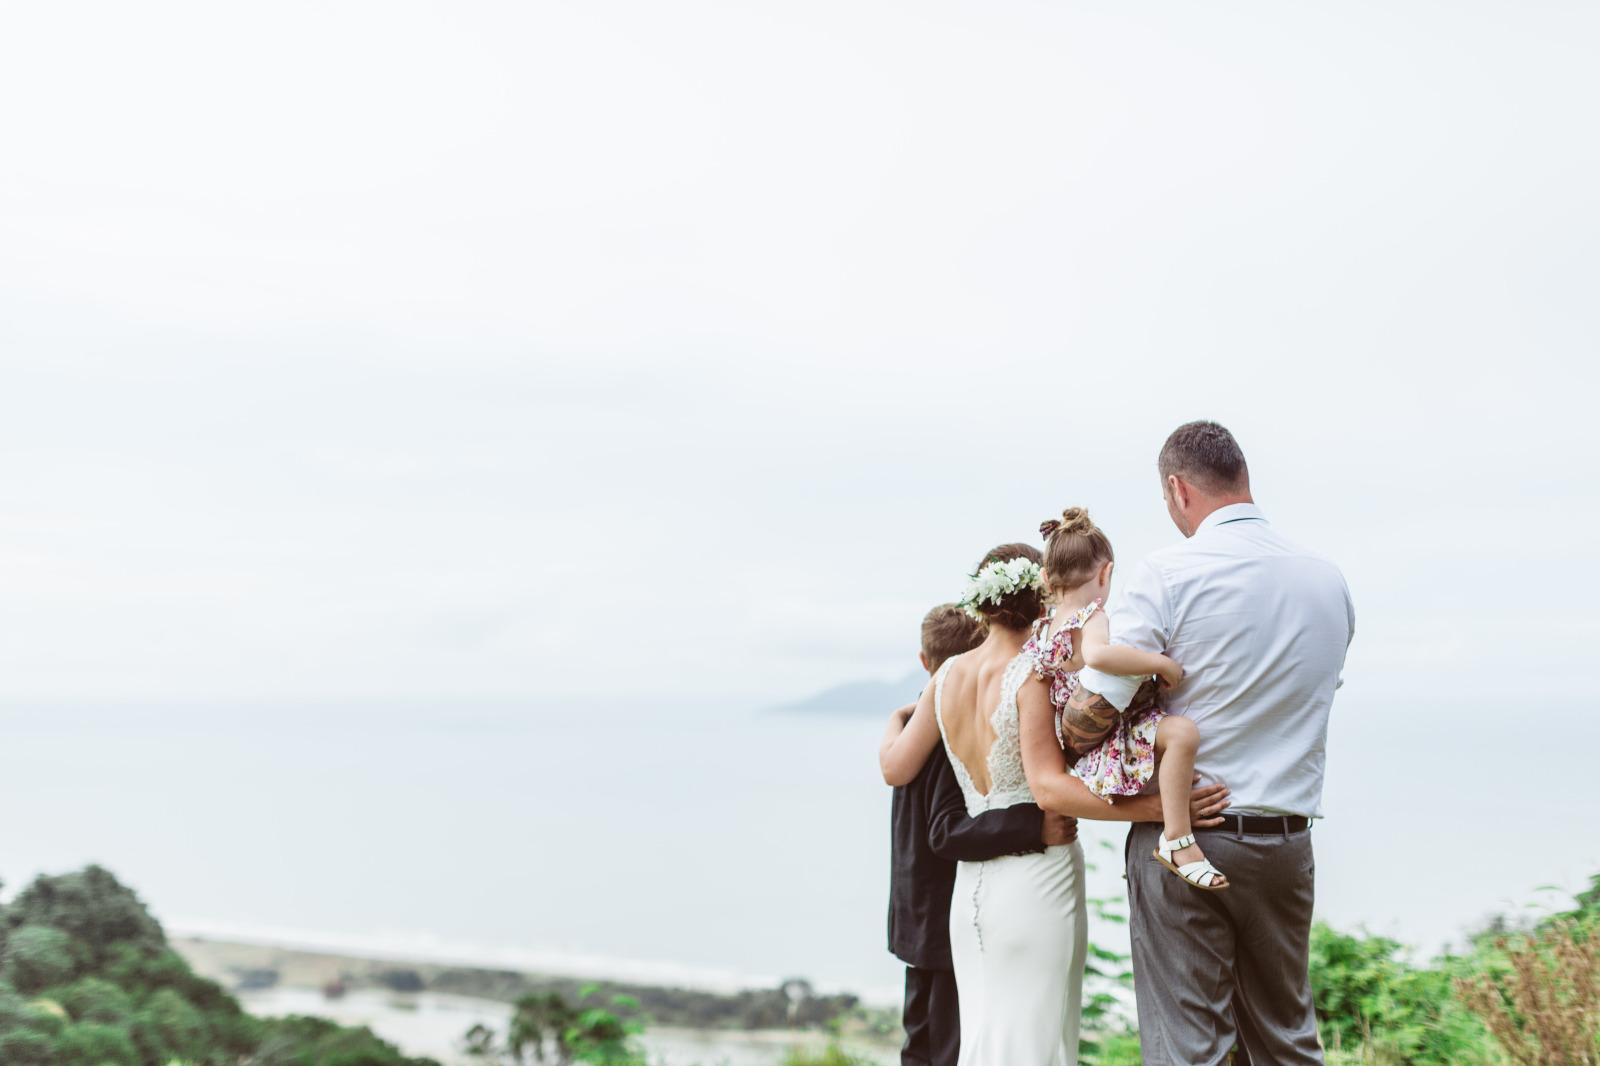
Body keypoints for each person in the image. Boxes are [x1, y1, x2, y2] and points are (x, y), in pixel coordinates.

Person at [1064, 421, 1355, 1066]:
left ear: (1178, 489)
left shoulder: (1168, 573)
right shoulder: (1327, 580)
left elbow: (1087, 720)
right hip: (1285, 845)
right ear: (1242, 478)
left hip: (1188, 837)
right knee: (1286, 1043)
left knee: (1188, 1049)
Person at [880, 544, 1232, 1066]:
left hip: (969, 893)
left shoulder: (946, 675)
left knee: (984, 1043)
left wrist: (894, 718)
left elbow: (897, 769)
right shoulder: (1034, 675)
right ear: (1042, 596)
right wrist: (1158, 808)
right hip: (1036, 885)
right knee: (1039, 1043)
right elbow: (1048, 790)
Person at [884, 603, 1078, 1066]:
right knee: (947, 1048)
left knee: (923, 1047)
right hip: (942, 920)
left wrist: (894, 720)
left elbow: (894, 771)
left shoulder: (913, 726)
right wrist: (1033, 825)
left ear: (925, 661)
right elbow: (945, 829)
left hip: (917, 920)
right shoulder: (946, 729)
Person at [1025, 507, 1228, 890]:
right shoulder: (1092, 616)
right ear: (1106, 573)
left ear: (1046, 578)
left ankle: (1148, 853)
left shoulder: (1043, 630)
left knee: (1155, 771)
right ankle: (1177, 840)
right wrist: (1161, 664)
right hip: (1109, 729)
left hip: (1077, 742)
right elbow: (1099, 656)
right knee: (1182, 734)